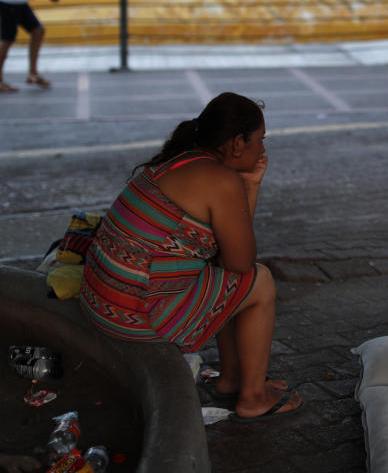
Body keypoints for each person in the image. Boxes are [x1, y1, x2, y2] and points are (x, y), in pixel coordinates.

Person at [80, 92, 303, 421]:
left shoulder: (180, 161)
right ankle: (253, 397)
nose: (263, 149)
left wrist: (251, 186)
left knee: (226, 279)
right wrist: (245, 187)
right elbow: (240, 263)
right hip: (136, 316)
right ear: (237, 144)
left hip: (103, 304)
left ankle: (231, 380)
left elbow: (228, 255)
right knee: (261, 281)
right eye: (260, 139)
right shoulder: (220, 180)